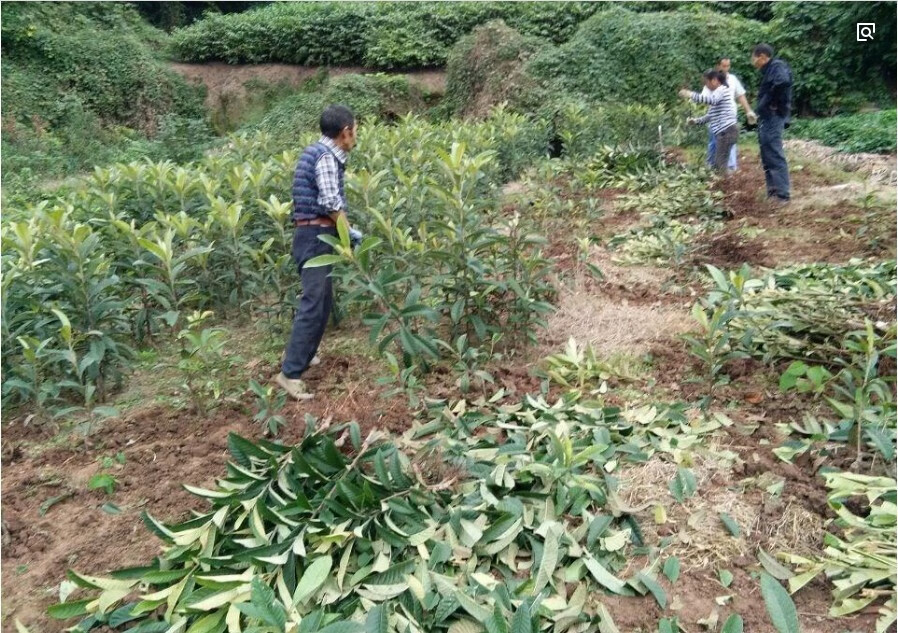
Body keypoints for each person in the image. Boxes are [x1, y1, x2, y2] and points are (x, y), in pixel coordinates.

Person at [276, 104, 361, 400]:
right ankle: (290, 373)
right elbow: (331, 203)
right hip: (316, 236)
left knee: (322, 302)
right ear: (345, 132)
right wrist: (348, 234)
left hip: (311, 234)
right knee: (314, 303)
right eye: (355, 130)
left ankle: (306, 353)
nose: (356, 137)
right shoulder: (326, 158)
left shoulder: (316, 152)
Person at [751, 43, 793, 205]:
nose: (753, 61)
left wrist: (771, 102)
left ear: (762, 57)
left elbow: (782, 83)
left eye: (754, 57)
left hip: (773, 117)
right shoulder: (769, 70)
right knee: (766, 153)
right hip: (766, 118)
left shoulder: (777, 66)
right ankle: (773, 192)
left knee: (774, 152)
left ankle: (783, 194)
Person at [679, 70, 739, 175]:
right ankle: (728, 183)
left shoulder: (721, 90)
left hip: (726, 132)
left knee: (720, 164)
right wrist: (696, 121)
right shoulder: (718, 93)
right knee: (719, 163)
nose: (706, 86)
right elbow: (710, 116)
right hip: (726, 132)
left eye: (707, 82)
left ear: (715, 80)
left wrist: (690, 94)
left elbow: (711, 100)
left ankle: (729, 185)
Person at [702, 57, 757, 171]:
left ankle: (731, 167)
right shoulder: (712, 80)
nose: (726, 68)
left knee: (729, 142)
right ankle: (711, 166)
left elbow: (740, 95)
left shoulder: (733, 79)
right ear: (718, 66)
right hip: (716, 118)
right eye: (724, 66)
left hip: (730, 117)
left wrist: (748, 111)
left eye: (728, 66)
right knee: (713, 142)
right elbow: (705, 98)